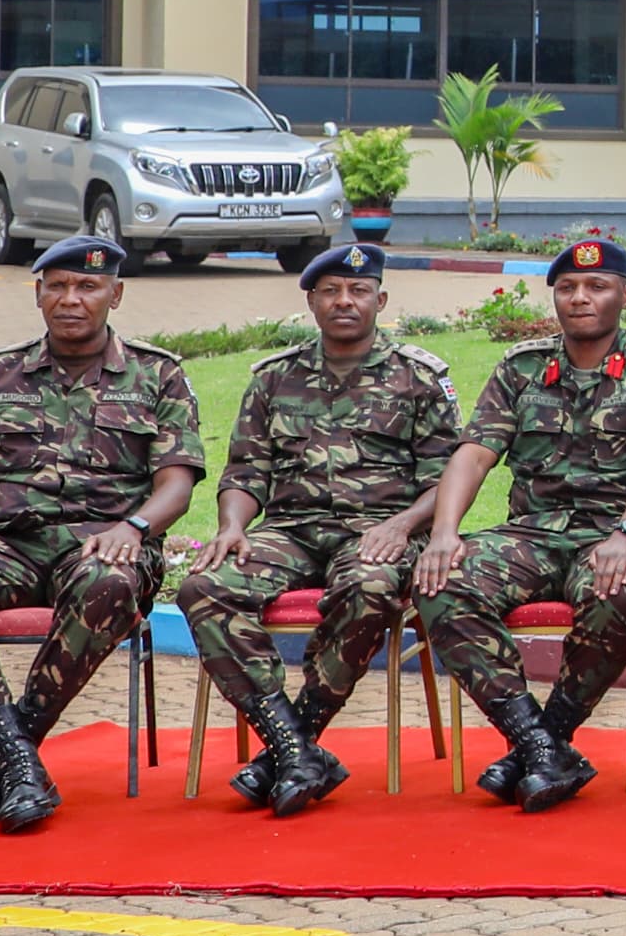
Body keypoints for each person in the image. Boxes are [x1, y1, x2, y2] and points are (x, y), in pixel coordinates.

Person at [0, 237, 202, 834]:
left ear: (115, 294)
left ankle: (5, 760)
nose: (72, 299)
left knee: (108, 584)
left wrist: (135, 527)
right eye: (58, 286)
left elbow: (177, 482)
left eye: (88, 287)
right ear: (38, 293)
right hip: (7, 544)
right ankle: (17, 760)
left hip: (103, 543)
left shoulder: (157, 374)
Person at [171, 244, 459, 817]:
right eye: (330, 292)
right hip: (292, 530)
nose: (344, 301)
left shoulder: (418, 379)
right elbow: (245, 471)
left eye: (357, 291)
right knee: (203, 587)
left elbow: (449, 479)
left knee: (371, 588)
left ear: (381, 299)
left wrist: (402, 526)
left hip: (379, 531)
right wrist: (232, 526)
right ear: (311, 301)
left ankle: (290, 742)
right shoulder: (275, 379)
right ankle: (294, 748)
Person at [413, 237, 626, 814]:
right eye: (567, 288)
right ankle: (540, 745)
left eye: (597, 286)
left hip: (623, 534)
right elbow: (473, 454)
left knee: (620, 588)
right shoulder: (521, 368)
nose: (580, 298)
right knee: (442, 582)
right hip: (534, 533)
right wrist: (444, 532)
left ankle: (543, 740)